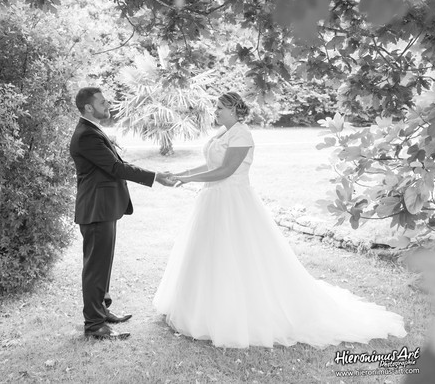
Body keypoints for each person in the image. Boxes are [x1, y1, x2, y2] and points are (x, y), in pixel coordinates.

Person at [153, 91, 407, 348]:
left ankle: (240, 312)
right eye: (216, 107)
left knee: (237, 255)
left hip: (233, 202)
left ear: (233, 110)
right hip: (212, 201)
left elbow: (225, 171)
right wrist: (180, 174)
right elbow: (209, 166)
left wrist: (185, 180)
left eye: (219, 108)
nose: (215, 111)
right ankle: (202, 307)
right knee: (209, 254)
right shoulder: (221, 133)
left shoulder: (242, 134)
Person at [70, 87, 174, 340]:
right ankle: (94, 325)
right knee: (95, 267)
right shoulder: (86, 135)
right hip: (96, 209)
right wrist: (155, 176)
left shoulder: (92, 130)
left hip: (104, 208)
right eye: (103, 102)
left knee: (102, 264)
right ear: (88, 108)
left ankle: (102, 310)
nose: (108, 105)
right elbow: (115, 167)